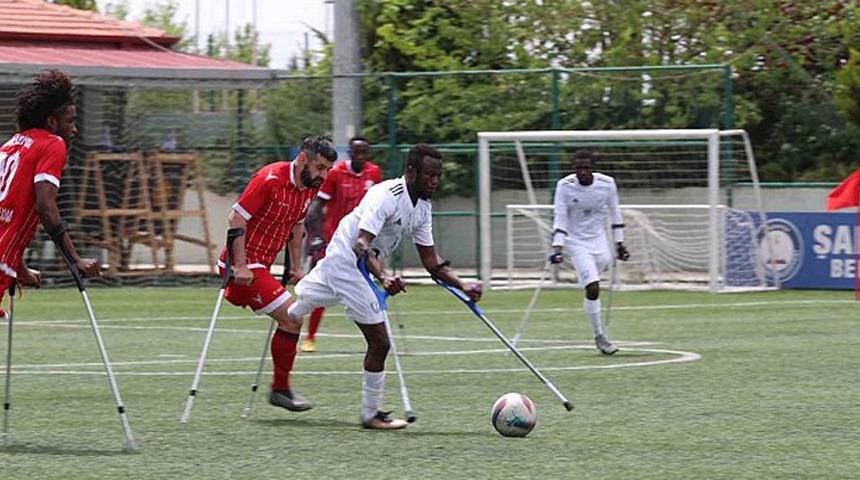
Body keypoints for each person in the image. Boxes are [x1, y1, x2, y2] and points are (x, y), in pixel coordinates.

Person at [287, 144, 482, 429]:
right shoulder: (386, 196)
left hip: (341, 260)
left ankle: (280, 361)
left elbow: (432, 262)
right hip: (347, 263)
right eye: (429, 174)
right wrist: (384, 278)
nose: (435, 181)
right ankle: (371, 414)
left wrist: (464, 285)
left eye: (438, 175)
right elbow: (363, 244)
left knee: (292, 312)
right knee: (380, 341)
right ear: (411, 171)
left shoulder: (422, 208)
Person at [219, 135, 336, 412]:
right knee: (293, 317)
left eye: (328, 170)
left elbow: (297, 225)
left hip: (263, 267)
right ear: (303, 159)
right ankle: (280, 389)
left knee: (293, 317)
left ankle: (280, 389)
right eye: (320, 168)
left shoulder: (309, 187)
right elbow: (236, 218)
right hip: (240, 266)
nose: (324, 175)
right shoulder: (269, 178)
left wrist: (295, 266)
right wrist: (240, 266)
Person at [0, 70, 100, 319]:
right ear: (52, 122)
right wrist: (75, 258)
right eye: (70, 121)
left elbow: (9, 208)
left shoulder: (14, 143)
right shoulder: (52, 144)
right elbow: (46, 206)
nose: (74, 129)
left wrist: (18, 267)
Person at [301, 136, 383, 353]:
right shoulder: (336, 174)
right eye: (356, 152)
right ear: (350, 152)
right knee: (322, 287)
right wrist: (316, 237)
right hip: (334, 240)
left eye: (364, 152)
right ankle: (309, 336)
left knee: (368, 287)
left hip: (361, 243)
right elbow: (317, 207)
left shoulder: (374, 173)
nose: (360, 157)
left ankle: (375, 337)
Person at [549, 150, 630, 355]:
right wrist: (557, 247)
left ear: (593, 168)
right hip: (575, 242)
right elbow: (560, 216)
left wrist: (620, 244)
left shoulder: (607, 183)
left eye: (586, 168)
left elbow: (615, 212)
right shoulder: (564, 186)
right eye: (578, 168)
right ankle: (599, 336)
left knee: (594, 284)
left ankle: (588, 286)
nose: (582, 172)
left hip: (599, 241)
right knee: (593, 287)